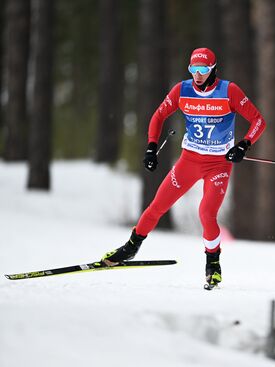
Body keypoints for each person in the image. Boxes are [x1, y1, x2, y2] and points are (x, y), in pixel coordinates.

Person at [101, 47, 266, 289]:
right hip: (189, 161)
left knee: (206, 213)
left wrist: (244, 144)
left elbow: (258, 120)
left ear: (213, 69)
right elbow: (158, 116)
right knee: (157, 206)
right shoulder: (182, 90)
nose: (198, 75)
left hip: (218, 164)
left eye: (203, 69)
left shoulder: (228, 91)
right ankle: (130, 248)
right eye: (193, 69)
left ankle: (213, 265)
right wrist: (151, 147)